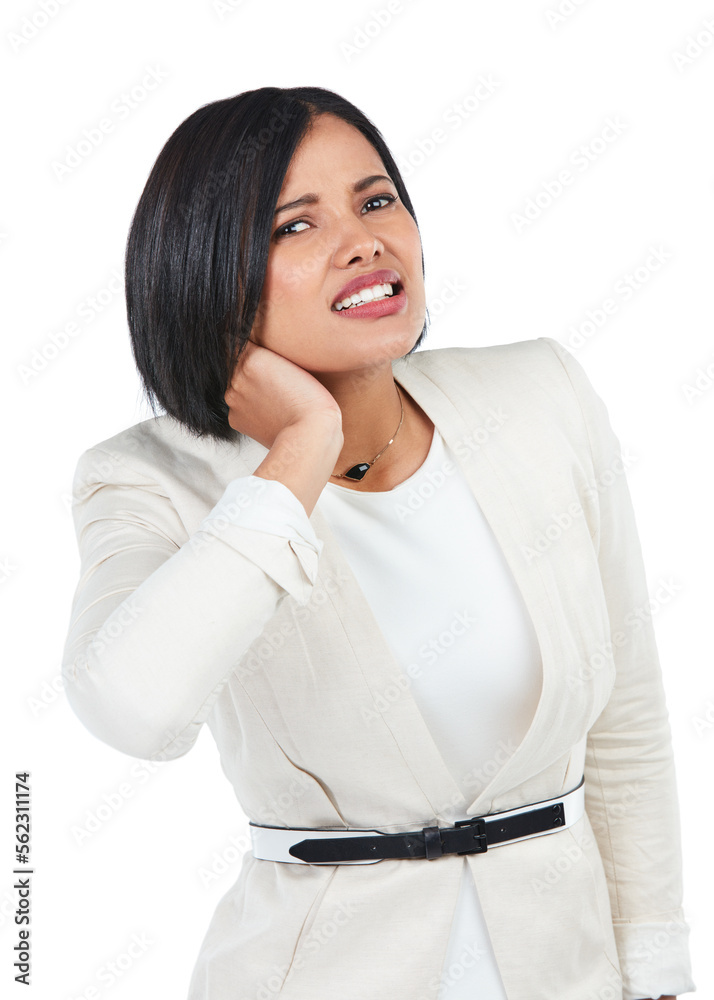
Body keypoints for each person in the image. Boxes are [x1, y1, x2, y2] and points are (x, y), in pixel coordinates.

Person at [61, 86, 696, 1000]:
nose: (363, 240)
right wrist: (301, 448)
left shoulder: (541, 397)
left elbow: (628, 719)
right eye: (294, 226)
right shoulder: (147, 479)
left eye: (375, 200)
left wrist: (656, 970)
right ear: (207, 273)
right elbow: (132, 710)